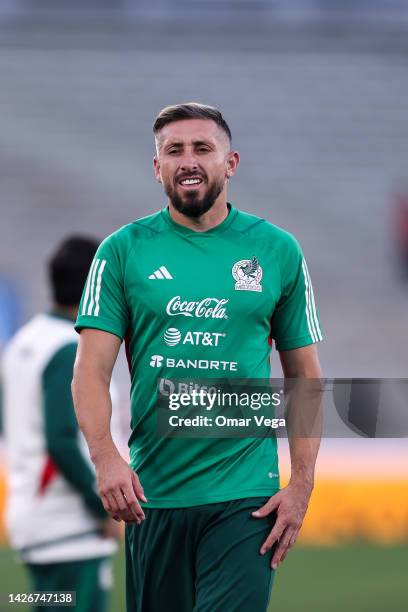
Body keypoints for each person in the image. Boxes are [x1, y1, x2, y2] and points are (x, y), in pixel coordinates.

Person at [72, 103, 323, 612]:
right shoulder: (121, 252)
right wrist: (106, 459)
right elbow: (90, 371)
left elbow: (304, 375)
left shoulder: (277, 250)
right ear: (157, 167)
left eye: (202, 148)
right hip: (153, 497)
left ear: (230, 162)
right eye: (174, 150)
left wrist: (300, 484)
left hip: (246, 498)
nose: (188, 160)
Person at [2, 236, 120, 612]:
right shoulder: (69, 349)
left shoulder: (24, 342)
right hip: (68, 523)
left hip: (34, 515)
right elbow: (61, 439)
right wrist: (103, 506)